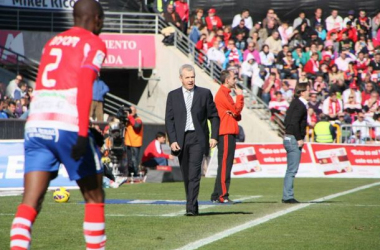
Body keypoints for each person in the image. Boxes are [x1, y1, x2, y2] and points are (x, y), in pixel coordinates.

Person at [9, 1, 107, 250]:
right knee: (94, 196)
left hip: (36, 124)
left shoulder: (53, 42)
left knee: (30, 202)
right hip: (68, 125)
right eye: (102, 19)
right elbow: (85, 82)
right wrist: (84, 132)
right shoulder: (94, 42)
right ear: (95, 19)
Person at [165, 64, 219, 216]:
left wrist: (214, 136)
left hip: (198, 138)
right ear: (181, 78)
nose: (190, 80)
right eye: (187, 77)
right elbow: (169, 120)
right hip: (181, 140)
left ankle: (189, 208)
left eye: (192, 77)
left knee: (195, 174)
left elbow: (214, 116)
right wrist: (173, 140)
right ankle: (193, 205)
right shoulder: (173, 95)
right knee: (187, 175)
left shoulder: (204, 93)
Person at [210, 70, 244, 203]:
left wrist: (235, 111)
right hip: (225, 132)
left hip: (228, 131)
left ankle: (216, 194)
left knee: (225, 165)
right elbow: (236, 110)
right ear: (227, 80)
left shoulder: (226, 94)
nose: (235, 81)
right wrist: (240, 97)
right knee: (225, 165)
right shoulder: (222, 94)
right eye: (233, 78)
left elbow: (237, 115)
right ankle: (222, 195)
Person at [282, 82, 309, 203]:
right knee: (292, 170)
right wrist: (299, 138)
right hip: (293, 138)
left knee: (290, 169)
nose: (310, 93)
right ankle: (288, 196)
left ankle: (287, 195)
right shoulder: (300, 105)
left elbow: (287, 120)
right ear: (302, 92)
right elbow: (293, 122)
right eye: (308, 90)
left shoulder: (294, 103)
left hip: (288, 137)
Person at [124, 106, 143, 175]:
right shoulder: (128, 119)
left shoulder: (138, 119)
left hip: (135, 143)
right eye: (130, 110)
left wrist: (130, 117)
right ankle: (130, 173)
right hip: (128, 142)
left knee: (134, 160)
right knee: (129, 160)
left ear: (136, 111)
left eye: (132, 110)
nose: (131, 112)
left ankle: (135, 174)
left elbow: (137, 126)